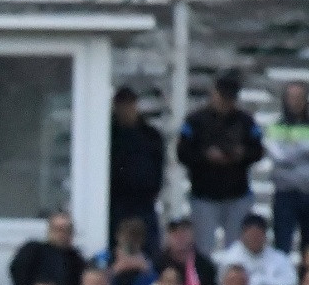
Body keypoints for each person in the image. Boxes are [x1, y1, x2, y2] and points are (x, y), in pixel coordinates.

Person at [178, 71, 264, 255]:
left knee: (237, 250)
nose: (225, 102)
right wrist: (205, 156)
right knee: (203, 250)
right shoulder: (195, 121)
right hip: (204, 195)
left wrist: (242, 154)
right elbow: (182, 153)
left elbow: (258, 150)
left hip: (237, 195)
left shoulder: (246, 121)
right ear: (214, 93)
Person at [109, 87, 165, 252]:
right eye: (122, 105)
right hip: (116, 202)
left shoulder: (150, 135)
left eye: (129, 105)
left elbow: (158, 166)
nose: (126, 110)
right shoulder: (108, 135)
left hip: (143, 201)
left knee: (148, 248)